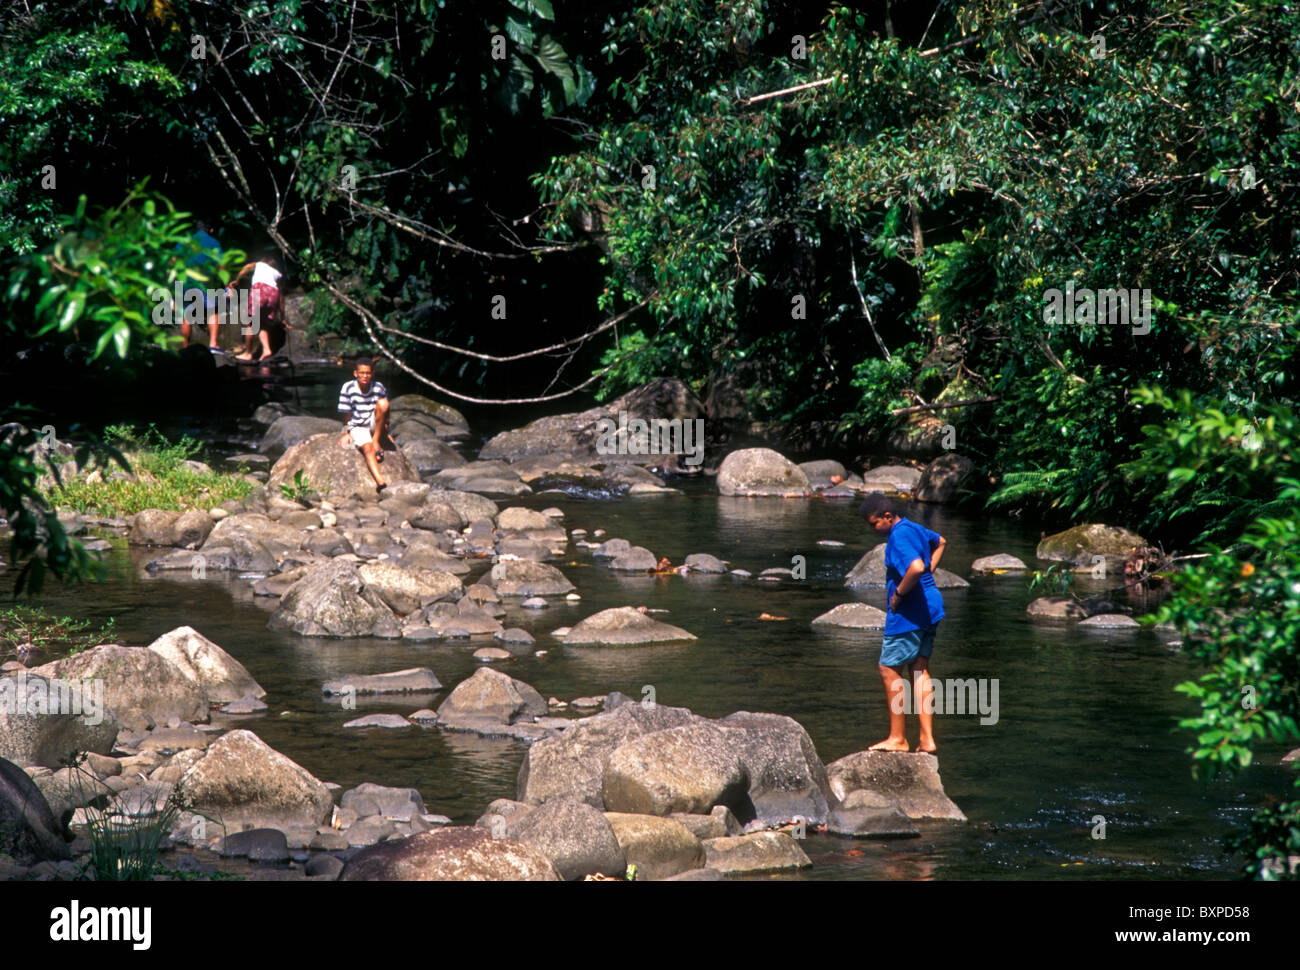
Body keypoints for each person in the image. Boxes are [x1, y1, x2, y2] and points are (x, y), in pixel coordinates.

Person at [859, 494, 947, 754]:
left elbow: (917, 567)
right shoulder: (914, 527)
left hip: (910, 611)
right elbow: (941, 542)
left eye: (874, 523)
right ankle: (927, 740)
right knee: (920, 670)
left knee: (889, 669)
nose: (872, 529)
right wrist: (930, 570)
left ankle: (898, 738)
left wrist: (899, 594)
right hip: (931, 607)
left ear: (888, 517)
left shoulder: (898, 536)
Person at [337, 358, 394, 492]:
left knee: (384, 403)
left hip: (374, 423)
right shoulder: (348, 387)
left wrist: (386, 430)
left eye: (368, 373)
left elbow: (385, 412)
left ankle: (376, 441)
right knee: (368, 449)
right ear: (355, 373)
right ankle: (381, 483)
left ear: (372, 374)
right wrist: (347, 432)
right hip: (358, 425)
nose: (365, 376)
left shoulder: (378, 387)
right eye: (362, 373)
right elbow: (346, 412)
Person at [178, 221, 224, 352]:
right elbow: (221, 265)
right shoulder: (214, 242)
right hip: (206, 282)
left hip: (186, 281)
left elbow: (173, 260)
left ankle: (185, 348)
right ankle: (213, 345)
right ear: (211, 231)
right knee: (212, 311)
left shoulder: (185, 242)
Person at [228, 256, 283, 361]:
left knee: (249, 322)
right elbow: (281, 297)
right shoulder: (277, 273)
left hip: (261, 289)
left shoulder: (260, 264)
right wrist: (283, 317)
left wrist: (237, 280)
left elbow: (247, 267)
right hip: (274, 294)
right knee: (262, 323)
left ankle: (248, 353)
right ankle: (267, 349)